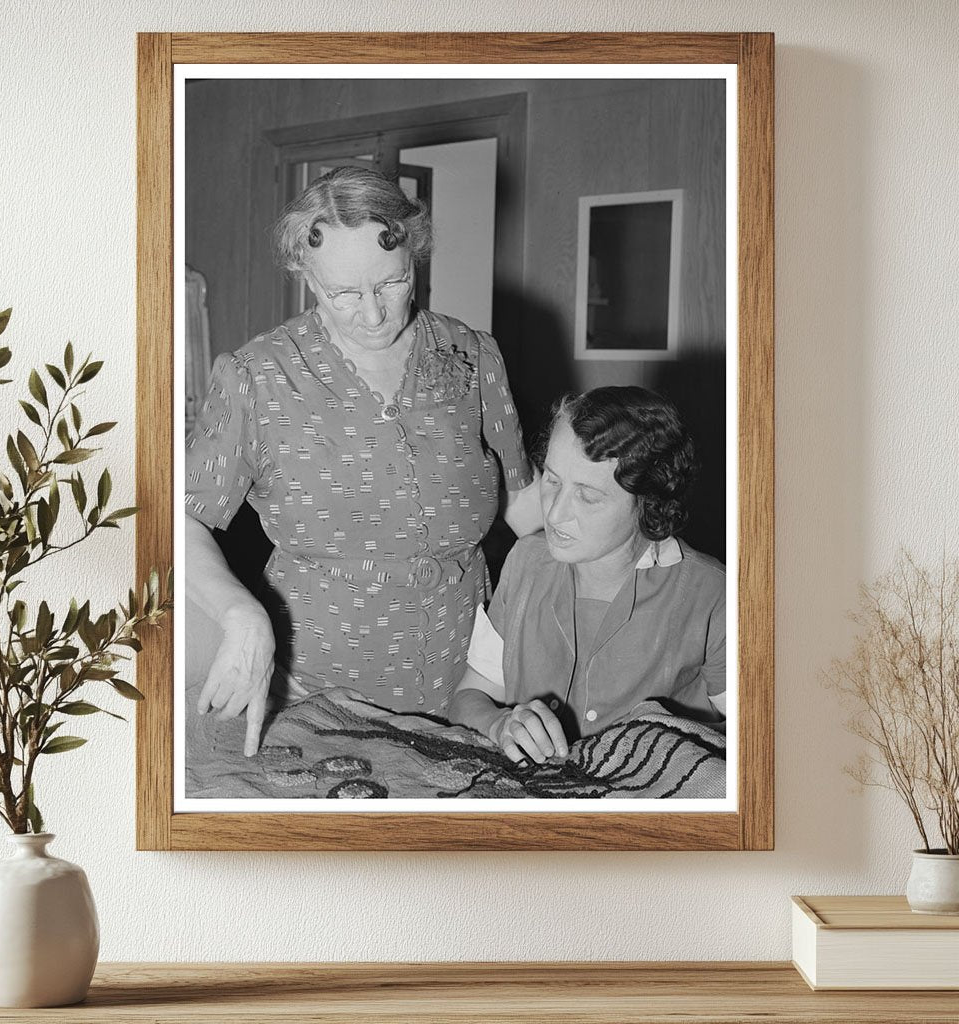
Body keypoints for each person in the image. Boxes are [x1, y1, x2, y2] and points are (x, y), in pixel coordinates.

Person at [185, 166, 540, 756]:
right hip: (313, 703)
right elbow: (183, 517)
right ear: (305, 273)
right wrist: (239, 615)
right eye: (344, 294)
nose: (373, 314)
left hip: (473, 696)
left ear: (415, 256)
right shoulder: (257, 378)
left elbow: (525, 505)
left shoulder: (472, 357)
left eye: (393, 284)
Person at [448, 386, 726, 765]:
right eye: (551, 479)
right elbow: (469, 698)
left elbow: (757, 738)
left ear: (648, 504)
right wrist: (499, 724)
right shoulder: (525, 562)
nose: (556, 514)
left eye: (588, 496)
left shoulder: (712, 594)